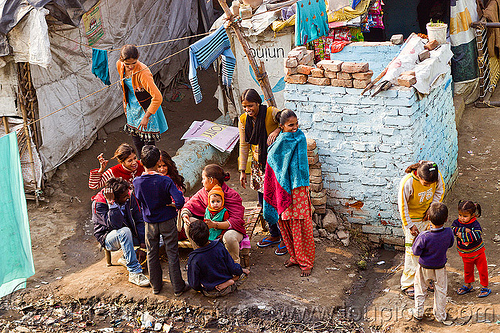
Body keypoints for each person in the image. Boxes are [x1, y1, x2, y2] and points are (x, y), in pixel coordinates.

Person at [263, 110, 315, 277]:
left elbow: (299, 166)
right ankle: (294, 256)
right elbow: (272, 160)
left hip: (298, 187)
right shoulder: (280, 140)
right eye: (290, 125)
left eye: (296, 123)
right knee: (285, 223)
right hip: (282, 187)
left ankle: (306, 262)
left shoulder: (299, 138)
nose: (295, 127)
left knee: (300, 224)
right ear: (281, 126)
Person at [133, 145, 188, 296]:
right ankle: (178, 287)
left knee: (152, 253)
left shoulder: (137, 182)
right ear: (158, 161)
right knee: (172, 252)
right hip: (167, 219)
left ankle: (156, 286)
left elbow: (138, 200)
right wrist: (171, 205)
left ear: (141, 162)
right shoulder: (165, 181)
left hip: (149, 222)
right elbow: (180, 201)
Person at [238, 88, 285, 255]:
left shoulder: (271, 112)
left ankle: (286, 238)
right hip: (258, 167)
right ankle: (274, 234)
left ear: (258, 102)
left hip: (275, 166)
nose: (248, 110)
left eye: (250, 105)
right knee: (264, 203)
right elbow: (244, 145)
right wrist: (243, 170)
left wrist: (277, 130)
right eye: (244, 106)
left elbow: (289, 120)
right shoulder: (243, 120)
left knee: (279, 201)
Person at [181, 164, 247, 264]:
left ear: (211, 180)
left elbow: (236, 221)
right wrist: (185, 214)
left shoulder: (232, 195)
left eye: (203, 179)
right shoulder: (203, 192)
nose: (202, 182)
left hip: (229, 230)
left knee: (229, 237)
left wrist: (215, 225)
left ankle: (234, 266)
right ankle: (201, 257)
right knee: (189, 224)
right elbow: (190, 205)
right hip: (210, 229)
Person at [398, 161, 445, 299]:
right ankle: (408, 284)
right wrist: (410, 225)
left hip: (428, 219)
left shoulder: (436, 176)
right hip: (413, 221)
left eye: (431, 183)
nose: (429, 186)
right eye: (426, 184)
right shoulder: (407, 183)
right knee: (412, 252)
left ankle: (426, 279)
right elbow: (403, 206)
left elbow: (439, 191)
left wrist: (432, 211)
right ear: (418, 176)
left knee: (428, 249)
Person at [92, 177, 150, 287]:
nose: (128, 197)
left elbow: (139, 219)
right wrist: (112, 204)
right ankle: (134, 272)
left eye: (127, 194)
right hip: (109, 238)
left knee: (158, 237)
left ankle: (126, 257)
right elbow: (115, 225)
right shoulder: (99, 203)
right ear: (115, 197)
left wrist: (142, 246)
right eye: (124, 196)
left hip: (130, 235)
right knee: (124, 231)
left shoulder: (130, 197)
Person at [117, 44, 168, 154]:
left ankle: (150, 167)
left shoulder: (143, 72)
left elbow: (158, 97)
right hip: (132, 108)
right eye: (127, 64)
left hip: (146, 108)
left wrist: (146, 116)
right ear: (122, 60)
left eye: (134, 63)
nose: (130, 67)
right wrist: (125, 105)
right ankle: (140, 166)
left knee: (149, 147)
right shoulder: (119, 65)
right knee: (137, 142)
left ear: (138, 59)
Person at [412, 202, 454, 322]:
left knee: (420, 289)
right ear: (446, 219)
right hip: (440, 267)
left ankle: (419, 313)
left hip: (424, 267)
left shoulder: (424, 236)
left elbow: (416, 251)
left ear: (428, 217)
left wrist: (416, 237)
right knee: (440, 290)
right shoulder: (448, 233)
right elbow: (450, 244)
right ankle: (440, 316)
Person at [187, 220, 250, 297]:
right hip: (228, 288)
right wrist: (239, 270)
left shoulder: (194, 258)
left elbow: (194, 284)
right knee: (242, 273)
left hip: (210, 292)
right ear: (209, 233)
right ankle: (231, 281)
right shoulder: (219, 246)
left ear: (192, 239)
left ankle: (218, 285)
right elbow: (233, 268)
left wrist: (200, 287)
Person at [452, 201, 491, 298]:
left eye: (465, 216)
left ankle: (485, 287)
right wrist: (463, 230)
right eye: (460, 215)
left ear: (473, 215)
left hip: (478, 252)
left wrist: (461, 236)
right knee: (467, 270)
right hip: (465, 253)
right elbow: (452, 229)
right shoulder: (457, 222)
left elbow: (477, 234)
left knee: (482, 270)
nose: (462, 218)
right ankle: (468, 285)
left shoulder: (475, 224)